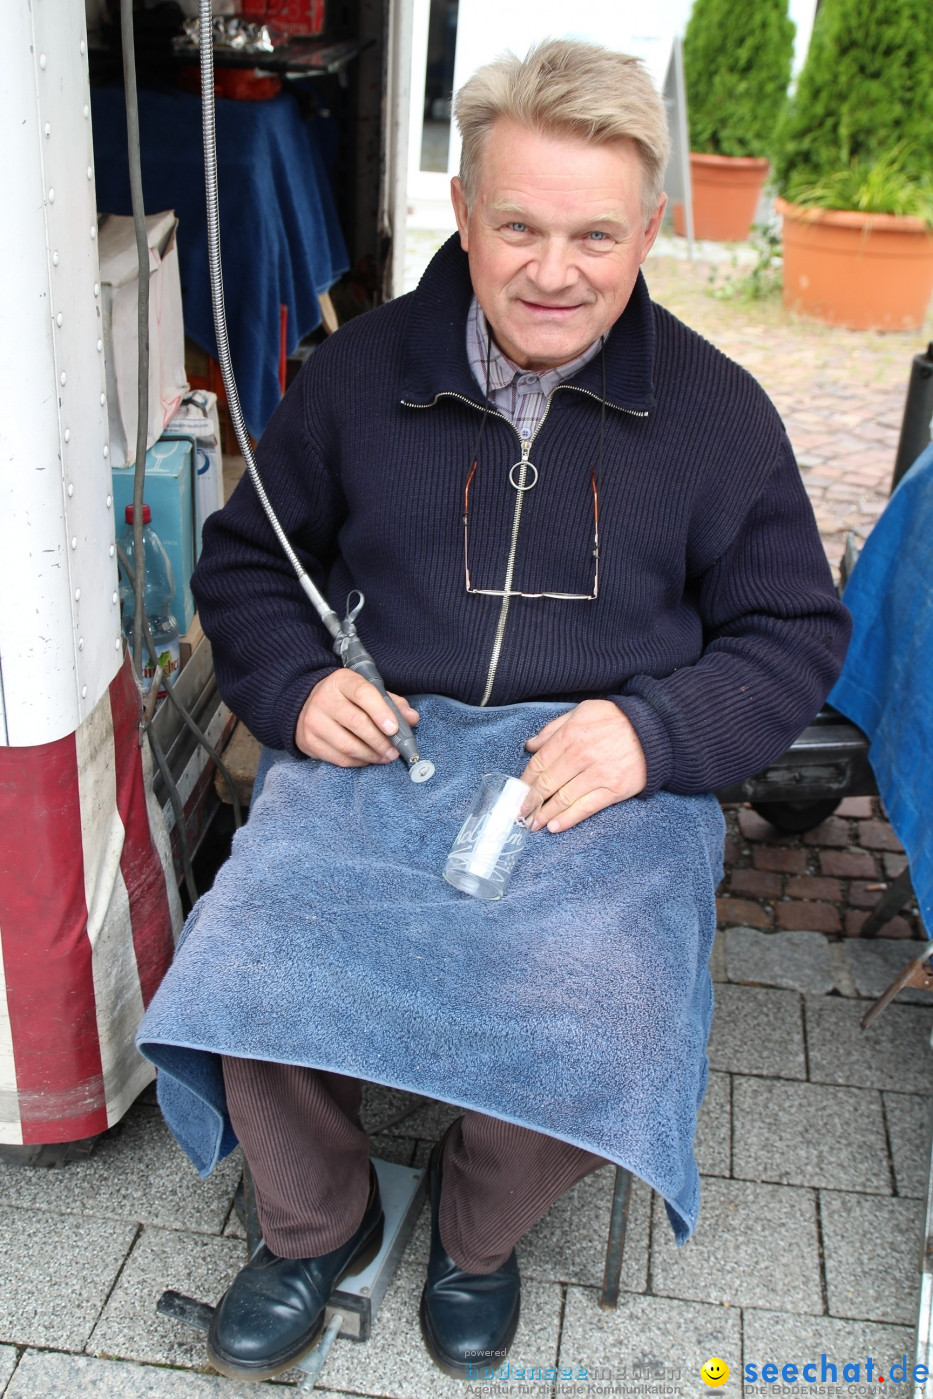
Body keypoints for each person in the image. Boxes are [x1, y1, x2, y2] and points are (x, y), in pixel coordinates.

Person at [185, 38, 850, 1383]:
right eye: (521, 228)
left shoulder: (717, 416)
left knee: (606, 995)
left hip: (601, 758)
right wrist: (299, 683)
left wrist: (654, 734)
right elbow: (252, 563)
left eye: (595, 235)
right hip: (397, 733)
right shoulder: (358, 375)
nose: (556, 271)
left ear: (650, 230)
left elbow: (792, 631)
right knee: (250, 944)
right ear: (467, 221)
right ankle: (317, 1222)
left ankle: (479, 1238)